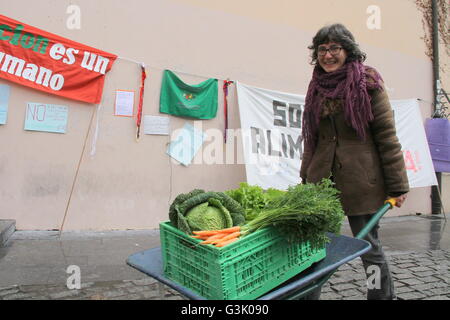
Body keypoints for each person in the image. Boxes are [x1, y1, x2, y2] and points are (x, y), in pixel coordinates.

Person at [300, 23, 409, 300]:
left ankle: (380, 297)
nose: (328, 55)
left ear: (348, 50)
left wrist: (397, 186)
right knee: (316, 246)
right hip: (323, 182)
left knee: (368, 247)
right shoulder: (316, 86)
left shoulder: (368, 82)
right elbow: (311, 138)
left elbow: (386, 135)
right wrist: (306, 178)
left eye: (334, 48)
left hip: (363, 182)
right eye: (322, 49)